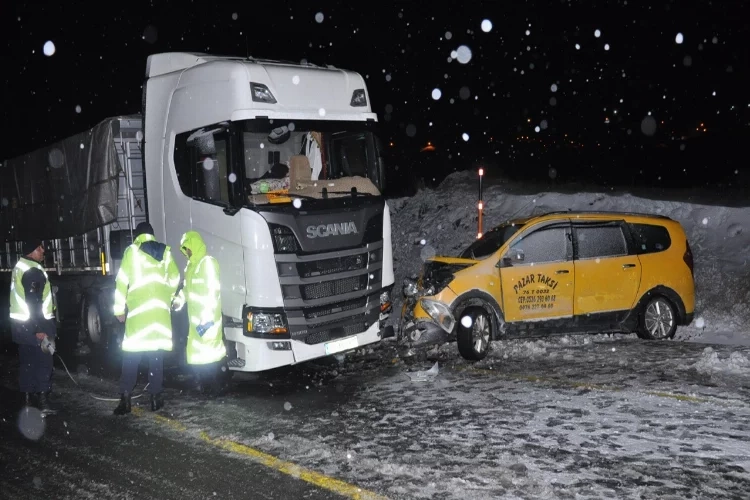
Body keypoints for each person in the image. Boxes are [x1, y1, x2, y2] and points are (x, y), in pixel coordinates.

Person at [113, 222, 179, 414]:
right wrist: (168, 296)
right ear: (152, 235)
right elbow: (175, 278)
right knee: (155, 356)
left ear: (138, 235)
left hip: (139, 316)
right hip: (159, 316)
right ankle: (156, 398)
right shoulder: (165, 252)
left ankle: (125, 399)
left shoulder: (132, 252)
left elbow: (121, 282)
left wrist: (119, 309)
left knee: (131, 356)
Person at [174, 230, 228, 395]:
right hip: (196, 322)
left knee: (212, 356)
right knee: (201, 356)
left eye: (187, 247)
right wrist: (179, 300)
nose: (186, 251)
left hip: (208, 320)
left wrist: (207, 317)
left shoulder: (207, 263)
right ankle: (205, 386)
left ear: (194, 245)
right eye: (184, 249)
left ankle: (215, 388)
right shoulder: (190, 267)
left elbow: (213, 291)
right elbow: (187, 290)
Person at [9, 239, 58, 415]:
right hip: (36, 327)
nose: (43, 251)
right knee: (44, 363)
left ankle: (28, 401)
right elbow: (34, 303)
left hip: (22, 327)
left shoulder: (20, 266)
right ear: (32, 250)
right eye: (40, 248)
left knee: (27, 363)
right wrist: (39, 330)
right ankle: (43, 402)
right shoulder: (34, 271)